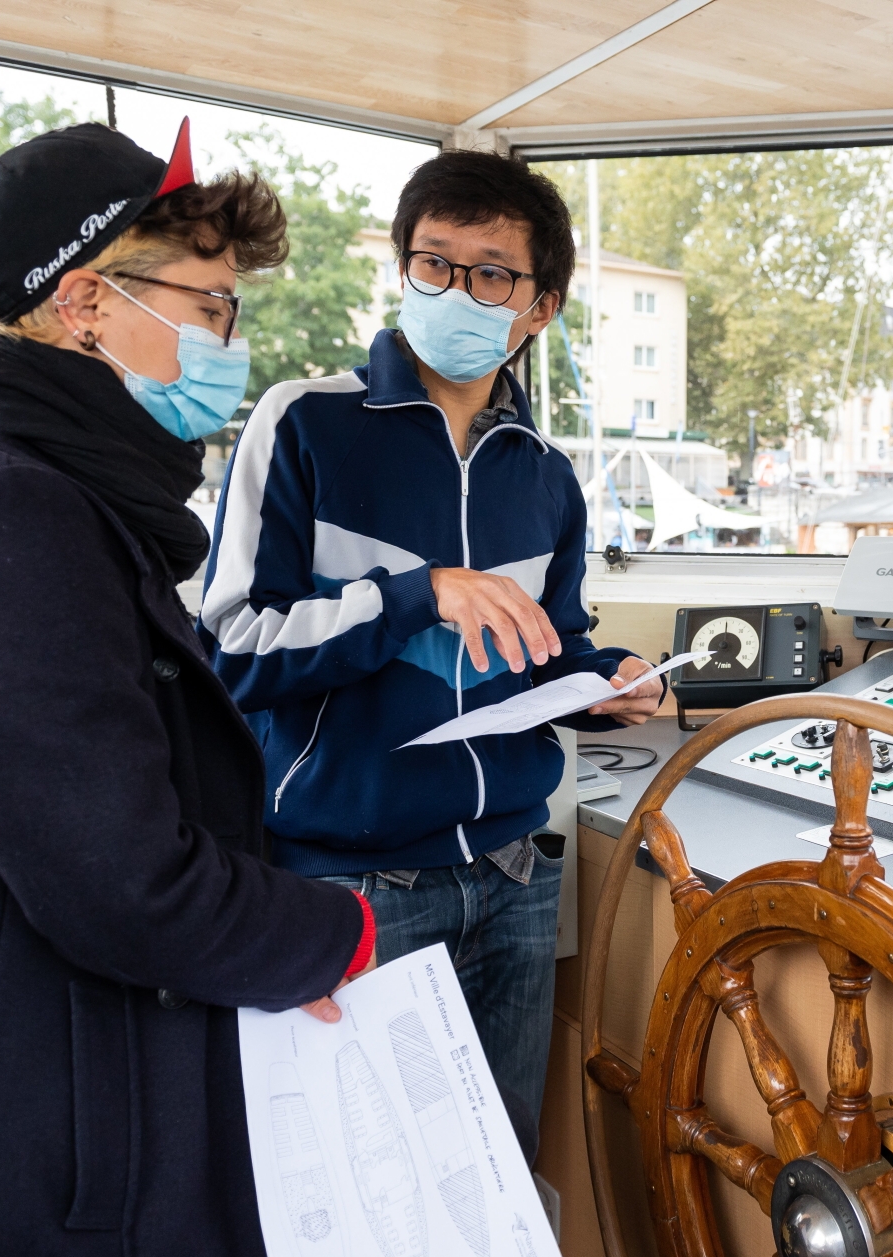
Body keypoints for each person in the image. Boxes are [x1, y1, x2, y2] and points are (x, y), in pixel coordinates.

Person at [0, 122, 377, 1257]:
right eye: (210, 308)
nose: (228, 343)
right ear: (89, 303)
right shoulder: (2, 516)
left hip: (15, 1084)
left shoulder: (50, 491)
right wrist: (336, 931)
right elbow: (124, 881)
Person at [198, 149, 660, 1163]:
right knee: (366, 1202)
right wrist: (417, 596)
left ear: (538, 310)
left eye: (490, 272)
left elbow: (546, 654)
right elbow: (232, 648)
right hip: (352, 888)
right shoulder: (304, 425)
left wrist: (602, 685)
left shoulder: (547, 479)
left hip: (514, 876)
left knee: (498, 1179)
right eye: (433, 263)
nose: (454, 289)